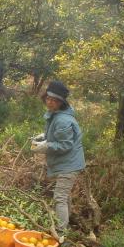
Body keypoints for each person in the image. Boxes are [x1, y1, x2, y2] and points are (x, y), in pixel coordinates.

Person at [31, 80, 85, 238]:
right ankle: (64, 228)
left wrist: (46, 146)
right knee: (65, 196)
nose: (50, 102)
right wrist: (43, 137)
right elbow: (56, 134)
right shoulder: (57, 114)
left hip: (69, 164)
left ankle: (60, 234)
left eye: (54, 100)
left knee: (59, 198)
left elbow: (65, 145)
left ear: (61, 102)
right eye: (48, 98)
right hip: (67, 162)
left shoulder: (63, 119)